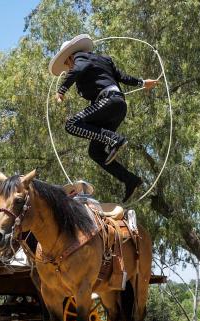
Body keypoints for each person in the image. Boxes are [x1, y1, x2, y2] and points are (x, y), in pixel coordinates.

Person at [49, 34, 159, 202]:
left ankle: (114, 139)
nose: (69, 67)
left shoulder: (80, 57)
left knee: (71, 124)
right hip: (118, 106)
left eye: (67, 64)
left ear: (70, 56)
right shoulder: (103, 60)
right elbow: (122, 77)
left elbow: (78, 70)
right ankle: (129, 179)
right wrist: (143, 83)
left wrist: (62, 90)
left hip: (108, 101)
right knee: (95, 152)